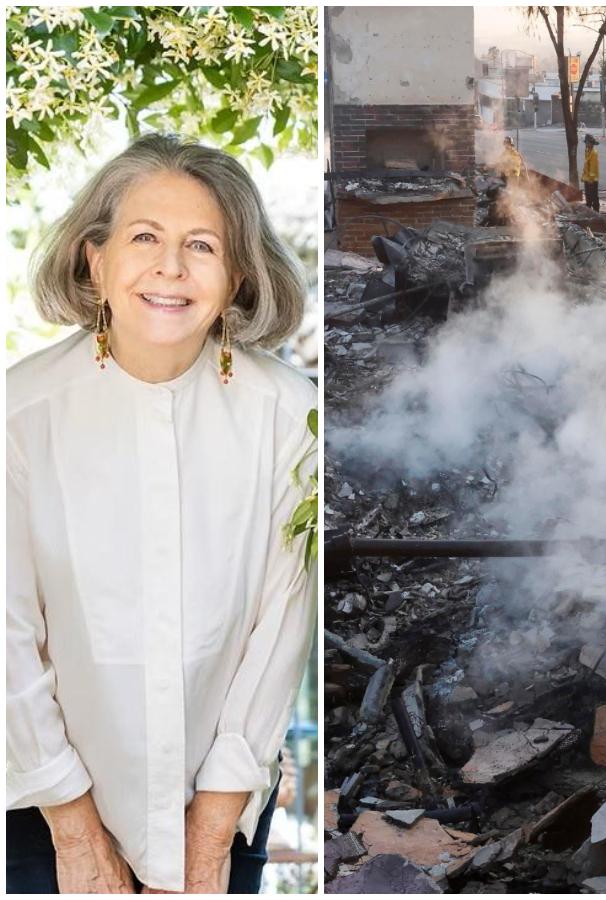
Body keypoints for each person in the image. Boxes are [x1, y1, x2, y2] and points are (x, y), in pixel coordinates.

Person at [7, 134, 317, 894]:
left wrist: (210, 839)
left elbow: (280, 631)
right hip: (36, 807)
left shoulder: (294, 418)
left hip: (223, 800)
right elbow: (5, 633)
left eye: (202, 246)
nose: (171, 269)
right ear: (95, 259)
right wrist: (73, 826)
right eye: (145, 237)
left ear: (237, 273)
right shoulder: (18, 414)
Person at [581, 133, 601, 212]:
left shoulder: (593, 153)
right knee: (588, 197)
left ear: (591, 143)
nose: (586, 144)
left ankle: (596, 212)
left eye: (587, 142)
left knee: (594, 196)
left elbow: (593, 168)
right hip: (587, 179)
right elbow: (586, 166)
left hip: (592, 180)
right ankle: (589, 211)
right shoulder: (587, 151)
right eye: (586, 142)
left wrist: (591, 179)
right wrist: (583, 177)